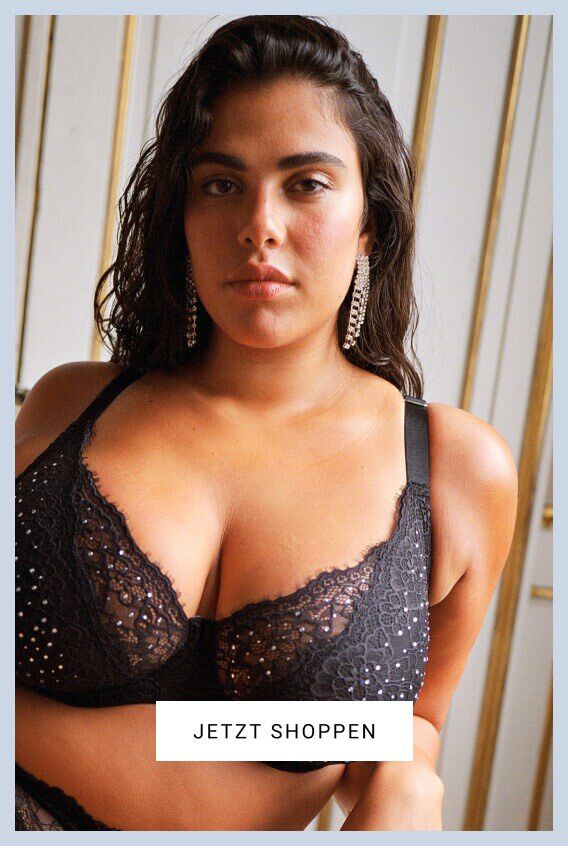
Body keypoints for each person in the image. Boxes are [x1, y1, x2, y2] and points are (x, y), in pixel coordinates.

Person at [14, 15, 517, 831]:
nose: (259, 226)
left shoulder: (455, 470)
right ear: (181, 215)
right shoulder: (69, 408)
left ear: (369, 223)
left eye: (306, 183)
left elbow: (411, 723)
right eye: (220, 184)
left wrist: (413, 782)